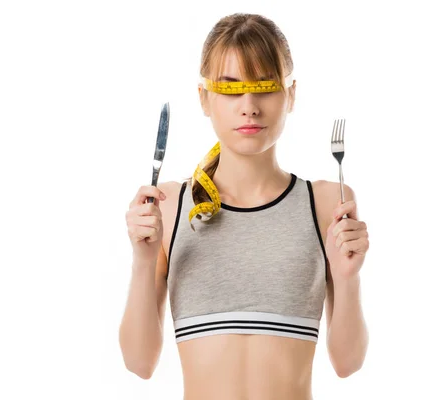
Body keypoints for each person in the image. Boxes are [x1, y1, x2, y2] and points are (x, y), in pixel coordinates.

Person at [119, 12, 370, 400]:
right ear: (204, 98)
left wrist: (349, 278)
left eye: (265, 87)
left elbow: (347, 363)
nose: (249, 106)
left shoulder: (326, 203)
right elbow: (139, 363)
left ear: (291, 94)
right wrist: (141, 261)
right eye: (231, 89)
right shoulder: (168, 207)